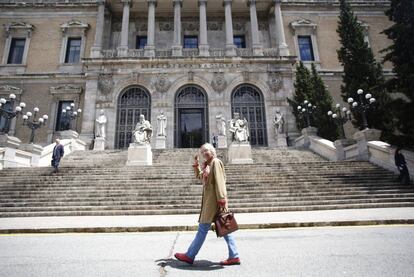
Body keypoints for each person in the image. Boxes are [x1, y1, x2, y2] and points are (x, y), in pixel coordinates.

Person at [174, 143, 240, 266]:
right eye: (202, 151)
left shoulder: (215, 162)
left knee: (203, 229)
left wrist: (221, 199)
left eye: (206, 151)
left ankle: (189, 255)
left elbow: (220, 181)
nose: (204, 153)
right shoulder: (208, 165)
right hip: (211, 202)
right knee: (225, 228)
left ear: (212, 151)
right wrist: (196, 165)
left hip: (215, 202)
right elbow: (201, 178)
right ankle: (234, 256)